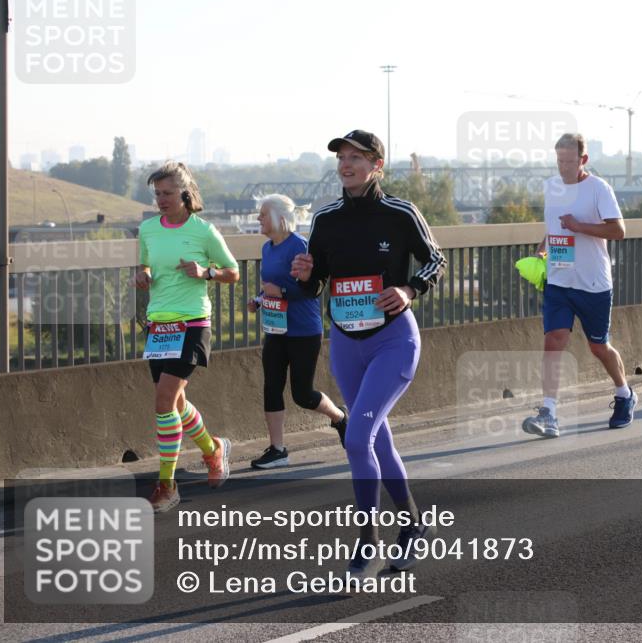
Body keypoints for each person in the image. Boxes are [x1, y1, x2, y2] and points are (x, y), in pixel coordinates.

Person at [291, 129, 447, 576]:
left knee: (357, 438)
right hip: (345, 343)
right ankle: (414, 525)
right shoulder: (325, 218)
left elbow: (435, 260)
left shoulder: (400, 213)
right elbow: (315, 283)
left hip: (393, 341)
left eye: (357, 157)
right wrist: (306, 274)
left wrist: (409, 289)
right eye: (342, 157)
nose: (346, 164)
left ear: (377, 165)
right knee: (377, 439)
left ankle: (368, 543)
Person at [133, 161, 239, 513]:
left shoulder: (204, 231)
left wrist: (206, 272)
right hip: (159, 326)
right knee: (176, 403)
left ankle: (167, 486)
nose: (161, 200)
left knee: (164, 401)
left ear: (185, 193)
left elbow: (233, 272)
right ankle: (213, 449)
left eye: (167, 193)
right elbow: (145, 264)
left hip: (192, 324)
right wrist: (142, 275)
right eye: (157, 194)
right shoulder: (148, 229)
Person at [522, 133, 636, 438]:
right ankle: (549, 413)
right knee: (553, 341)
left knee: (598, 347)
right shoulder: (552, 186)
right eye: (559, 161)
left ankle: (624, 394)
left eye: (569, 162)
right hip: (559, 280)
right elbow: (553, 226)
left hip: (593, 283)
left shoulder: (599, 189)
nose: (563, 167)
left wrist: (579, 227)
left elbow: (618, 230)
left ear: (583, 160)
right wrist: (542, 251)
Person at [246, 195, 348, 468]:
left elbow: (311, 289)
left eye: (263, 214)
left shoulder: (300, 246)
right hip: (276, 329)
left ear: (280, 218)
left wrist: (280, 291)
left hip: (303, 330)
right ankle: (277, 449)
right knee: (271, 387)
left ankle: (340, 418)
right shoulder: (267, 248)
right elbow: (271, 286)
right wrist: (258, 300)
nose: (258, 218)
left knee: (302, 394)